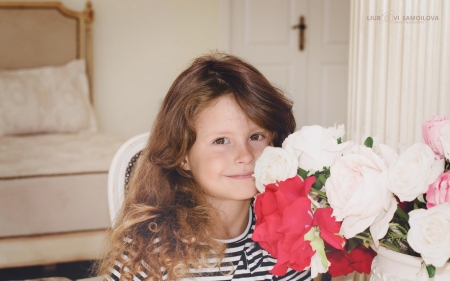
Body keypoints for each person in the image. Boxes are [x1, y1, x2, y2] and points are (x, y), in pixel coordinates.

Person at [97, 52, 311, 281]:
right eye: (221, 141)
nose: (245, 156)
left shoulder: (289, 232)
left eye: (256, 136)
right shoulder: (152, 248)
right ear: (183, 155)